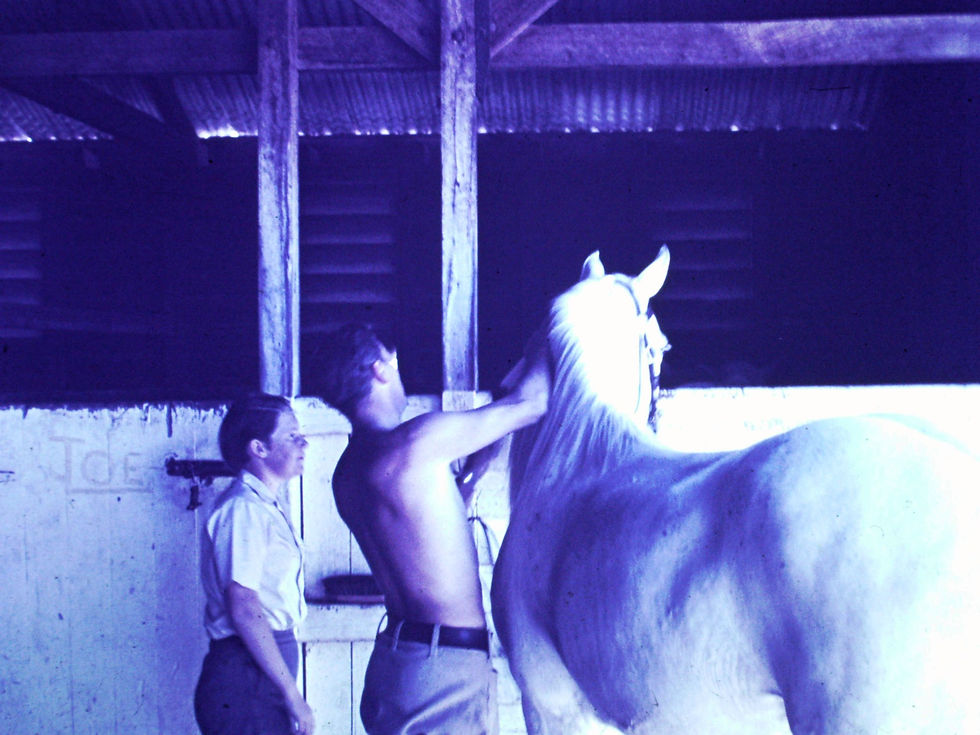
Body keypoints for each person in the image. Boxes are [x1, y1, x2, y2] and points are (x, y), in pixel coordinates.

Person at [316, 323, 549, 735]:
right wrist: (553, 331)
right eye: (395, 361)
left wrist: (474, 471)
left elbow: (426, 527)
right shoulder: (416, 442)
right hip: (444, 669)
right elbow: (531, 404)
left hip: (397, 660)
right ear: (380, 369)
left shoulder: (347, 473)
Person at [193, 393, 315, 735]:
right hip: (246, 672)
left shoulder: (263, 506)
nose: (304, 443)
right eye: (292, 436)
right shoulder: (244, 509)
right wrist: (292, 695)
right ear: (259, 448)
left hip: (260, 668)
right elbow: (244, 606)